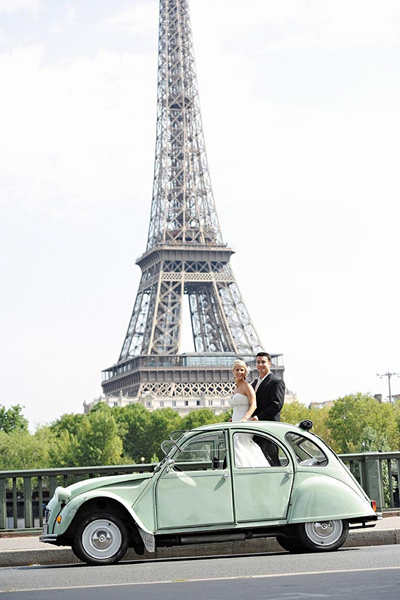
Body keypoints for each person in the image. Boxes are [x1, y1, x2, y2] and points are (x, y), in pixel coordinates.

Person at [229, 360, 270, 468]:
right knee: (238, 447)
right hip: (235, 421)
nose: (239, 372)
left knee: (239, 445)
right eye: (237, 369)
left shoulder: (247, 386)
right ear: (233, 371)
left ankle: (246, 471)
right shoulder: (236, 388)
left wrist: (245, 418)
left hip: (244, 421)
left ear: (245, 372)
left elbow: (253, 405)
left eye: (242, 370)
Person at [251, 351, 285, 465]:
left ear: (270, 363)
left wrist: (258, 417)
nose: (260, 365)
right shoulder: (254, 383)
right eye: (258, 362)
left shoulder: (276, 381)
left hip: (268, 429)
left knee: (270, 460)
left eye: (263, 362)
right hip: (255, 429)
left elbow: (276, 405)